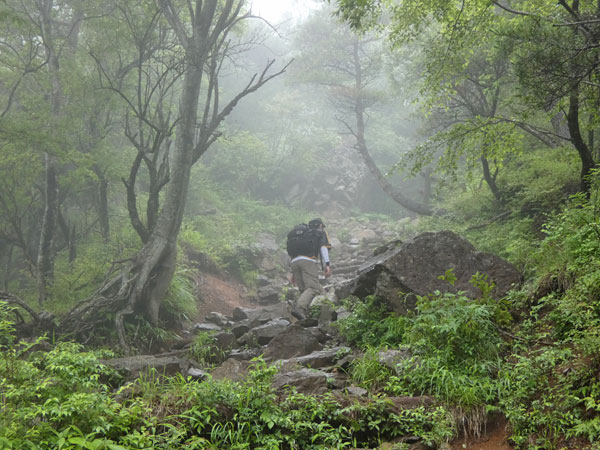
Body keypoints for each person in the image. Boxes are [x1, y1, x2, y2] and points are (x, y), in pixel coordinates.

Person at [288, 218, 332, 320]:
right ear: (320, 225)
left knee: (304, 290)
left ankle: (306, 314)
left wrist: (292, 272)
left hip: (294, 262)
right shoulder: (319, 233)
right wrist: (327, 264)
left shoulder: (299, 235)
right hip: (308, 260)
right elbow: (323, 248)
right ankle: (299, 307)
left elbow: (291, 253)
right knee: (313, 288)